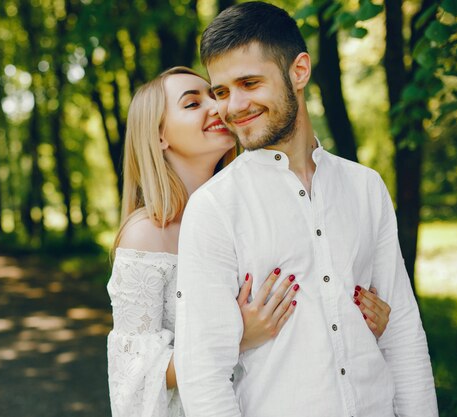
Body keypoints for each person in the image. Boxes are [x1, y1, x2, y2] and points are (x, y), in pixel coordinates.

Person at [173, 2, 438, 417]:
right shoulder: (214, 208)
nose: (233, 106)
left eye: (249, 83)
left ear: (298, 71)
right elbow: (202, 372)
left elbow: (402, 332)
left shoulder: (365, 186)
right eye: (221, 91)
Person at [107, 66, 391, 417]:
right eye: (193, 104)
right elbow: (132, 373)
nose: (216, 107)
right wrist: (236, 337)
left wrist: (361, 317)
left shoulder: (252, 208)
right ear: (160, 134)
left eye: (215, 95)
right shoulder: (147, 234)